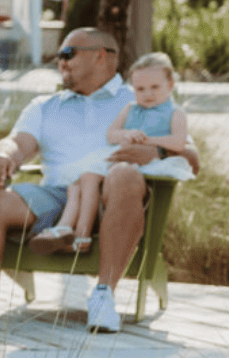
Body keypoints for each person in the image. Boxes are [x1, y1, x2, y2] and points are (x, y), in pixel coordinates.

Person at [0, 28, 199, 334]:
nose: (59, 62)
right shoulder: (45, 106)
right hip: (56, 198)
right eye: (58, 57)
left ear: (100, 56)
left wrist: (154, 150)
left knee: (125, 175)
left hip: (115, 197)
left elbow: (191, 156)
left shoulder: (141, 97)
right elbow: (17, 144)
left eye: (67, 54)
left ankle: (103, 296)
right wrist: (2, 155)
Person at [28, 51, 192, 256]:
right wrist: (126, 133)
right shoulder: (130, 108)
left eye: (155, 87)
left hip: (146, 165)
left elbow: (178, 142)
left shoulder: (174, 113)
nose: (148, 94)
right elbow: (111, 134)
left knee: (87, 179)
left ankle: (81, 235)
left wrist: (146, 140)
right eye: (140, 89)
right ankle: (64, 228)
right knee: (75, 186)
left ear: (170, 85)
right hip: (119, 157)